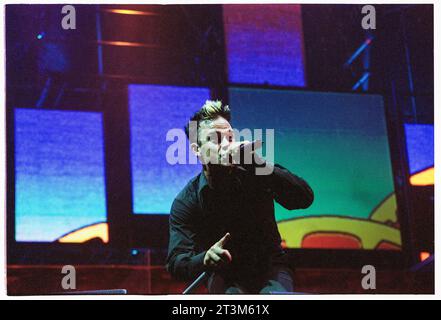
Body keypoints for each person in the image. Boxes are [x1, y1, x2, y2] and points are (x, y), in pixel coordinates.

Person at [166, 100, 314, 294]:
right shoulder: (187, 201)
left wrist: (256, 163)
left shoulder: (256, 172)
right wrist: (205, 258)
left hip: (270, 268)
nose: (226, 144)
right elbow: (176, 262)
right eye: (216, 139)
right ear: (197, 150)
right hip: (224, 275)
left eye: (229, 137)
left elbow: (303, 198)